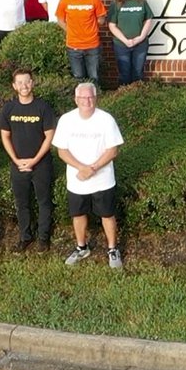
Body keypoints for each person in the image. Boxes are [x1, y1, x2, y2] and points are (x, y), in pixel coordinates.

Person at [54, 82, 125, 269]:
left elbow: (113, 150)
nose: (87, 101)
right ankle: (81, 247)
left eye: (90, 97)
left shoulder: (106, 119)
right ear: (76, 100)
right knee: (78, 214)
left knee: (107, 215)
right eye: (83, 98)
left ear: (96, 98)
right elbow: (62, 151)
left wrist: (92, 168)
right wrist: (81, 168)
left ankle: (112, 249)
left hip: (103, 179)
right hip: (77, 181)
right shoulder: (66, 120)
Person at [0, 69, 58, 250]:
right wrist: (16, 160)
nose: (24, 86)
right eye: (20, 83)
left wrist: (34, 160)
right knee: (22, 203)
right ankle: (25, 237)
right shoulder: (8, 108)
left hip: (41, 164)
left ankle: (43, 238)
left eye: (27, 82)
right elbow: (5, 136)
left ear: (32, 83)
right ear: (14, 86)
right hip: (18, 165)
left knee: (43, 201)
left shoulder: (43, 107)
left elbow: (50, 137)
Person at [57, 0, 107, 80]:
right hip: (74, 46)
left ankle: (96, 96)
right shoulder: (65, 0)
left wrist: (93, 28)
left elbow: (101, 18)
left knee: (94, 77)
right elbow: (60, 19)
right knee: (78, 77)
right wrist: (69, 31)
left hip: (92, 45)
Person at [108, 0, 154, 85]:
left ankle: (137, 97)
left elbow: (148, 20)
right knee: (124, 73)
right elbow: (112, 25)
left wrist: (141, 37)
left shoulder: (141, 1)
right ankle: (125, 97)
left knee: (138, 73)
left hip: (140, 44)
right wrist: (125, 40)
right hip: (121, 45)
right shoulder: (116, 3)